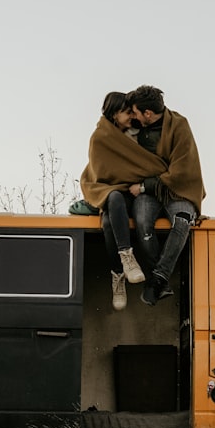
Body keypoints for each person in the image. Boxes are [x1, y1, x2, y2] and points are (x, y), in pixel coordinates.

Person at [125, 85, 205, 306]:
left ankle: (158, 278)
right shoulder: (134, 128)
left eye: (136, 112)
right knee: (141, 221)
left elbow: (183, 168)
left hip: (176, 188)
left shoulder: (180, 125)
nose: (133, 116)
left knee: (182, 220)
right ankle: (161, 282)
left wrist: (144, 187)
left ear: (148, 114)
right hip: (147, 189)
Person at [79, 92, 147, 310]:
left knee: (109, 220)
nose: (131, 117)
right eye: (127, 113)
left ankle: (117, 274)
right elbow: (101, 171)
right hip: (108, 189)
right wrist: (123, 179)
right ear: (114, 113)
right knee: (113, 199)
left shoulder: (136, 133)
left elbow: (142, 162)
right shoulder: (100, 138)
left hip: (132, 192)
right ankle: (127, 260)